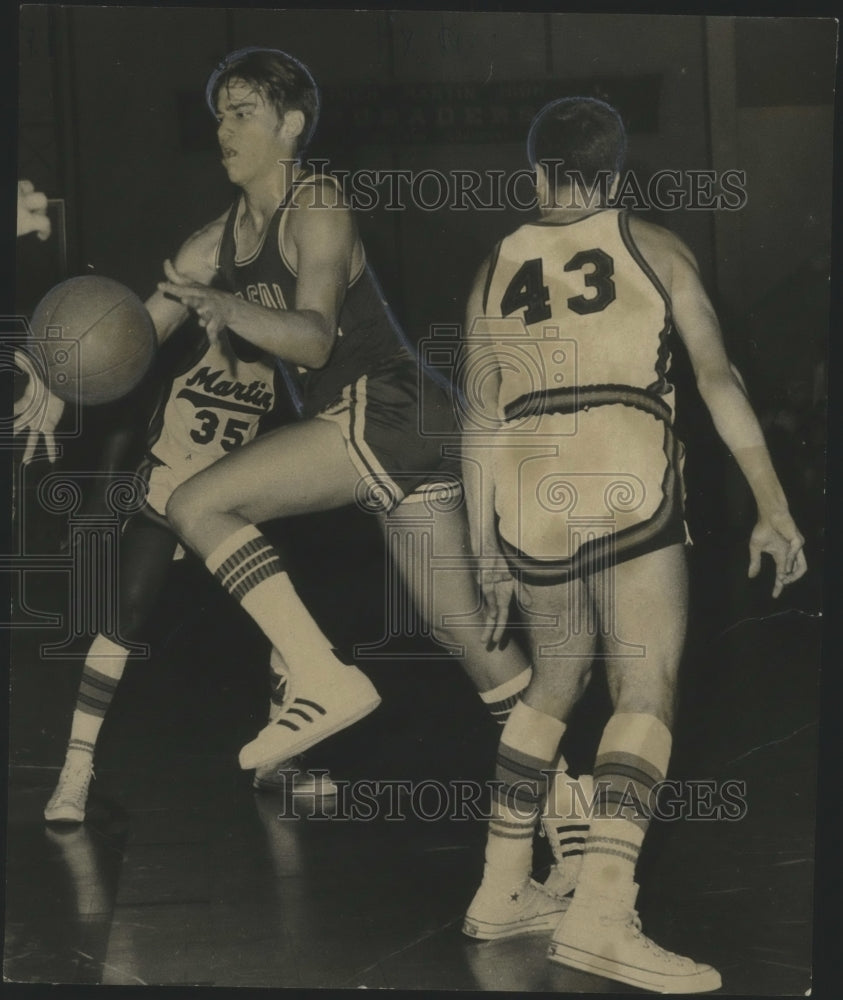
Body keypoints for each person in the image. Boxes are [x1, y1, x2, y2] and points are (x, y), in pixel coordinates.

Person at [28, 48, 548, 825]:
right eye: (219, 116)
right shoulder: (212, 242)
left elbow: (311, 337)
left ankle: (319, 675)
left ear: (291, 125)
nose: (224, 130)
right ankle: (571, 814)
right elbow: (133, 336)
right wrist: (58, 372)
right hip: (387, 432)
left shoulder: (318, 205)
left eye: (243, 114)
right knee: (466, 633)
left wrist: (228, 308)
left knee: (198, 504)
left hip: (387, 406)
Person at [459, 97, 806, 993]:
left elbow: (479, 416)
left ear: (536, 174)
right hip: (620, 454)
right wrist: (771, 503)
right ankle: (602, 918)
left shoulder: (495, 264)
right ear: (616, 176)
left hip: (527, 478)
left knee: (553, 682)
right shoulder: (655, 246)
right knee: (644, 687)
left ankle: (500, 890)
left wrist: (484, 550)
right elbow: (717, 380)